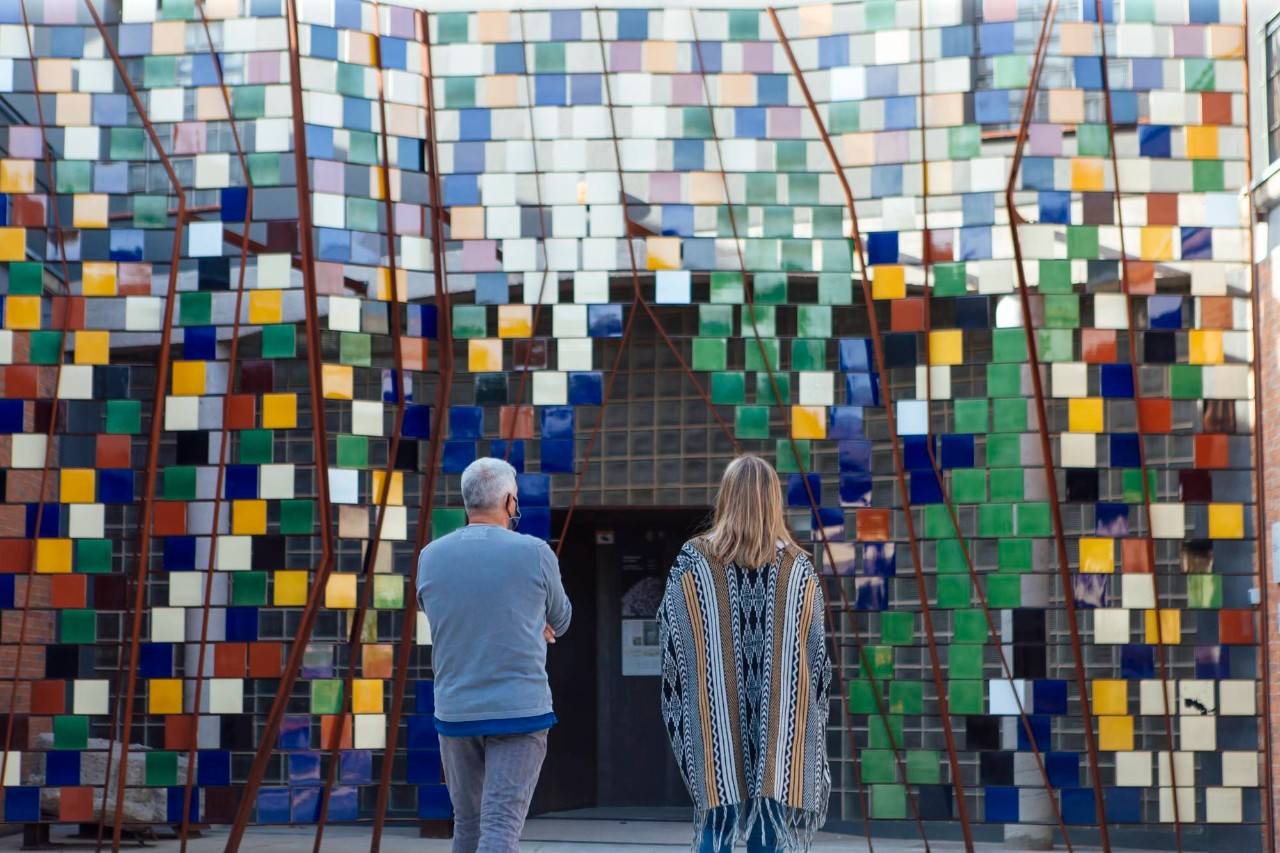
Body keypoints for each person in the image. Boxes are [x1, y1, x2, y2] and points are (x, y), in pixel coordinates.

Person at [658, 455, 832, 853]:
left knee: (717, 823)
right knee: (768, 829)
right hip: (782, 726)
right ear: (773, 500)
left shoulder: (693, 561)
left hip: (713, 720)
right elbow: (817, 656)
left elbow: (671, 641)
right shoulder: (798, 569)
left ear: (726, 497)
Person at [416, 457, 572, 853]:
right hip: (520, 709)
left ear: (467, 502)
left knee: (467, 825)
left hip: (455, 710)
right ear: (508, 502)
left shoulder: (430, 556)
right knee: (501, 826)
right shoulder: (536, 552)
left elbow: (437, 611)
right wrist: (533, 619)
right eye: (515, 499)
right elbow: (563, 618)